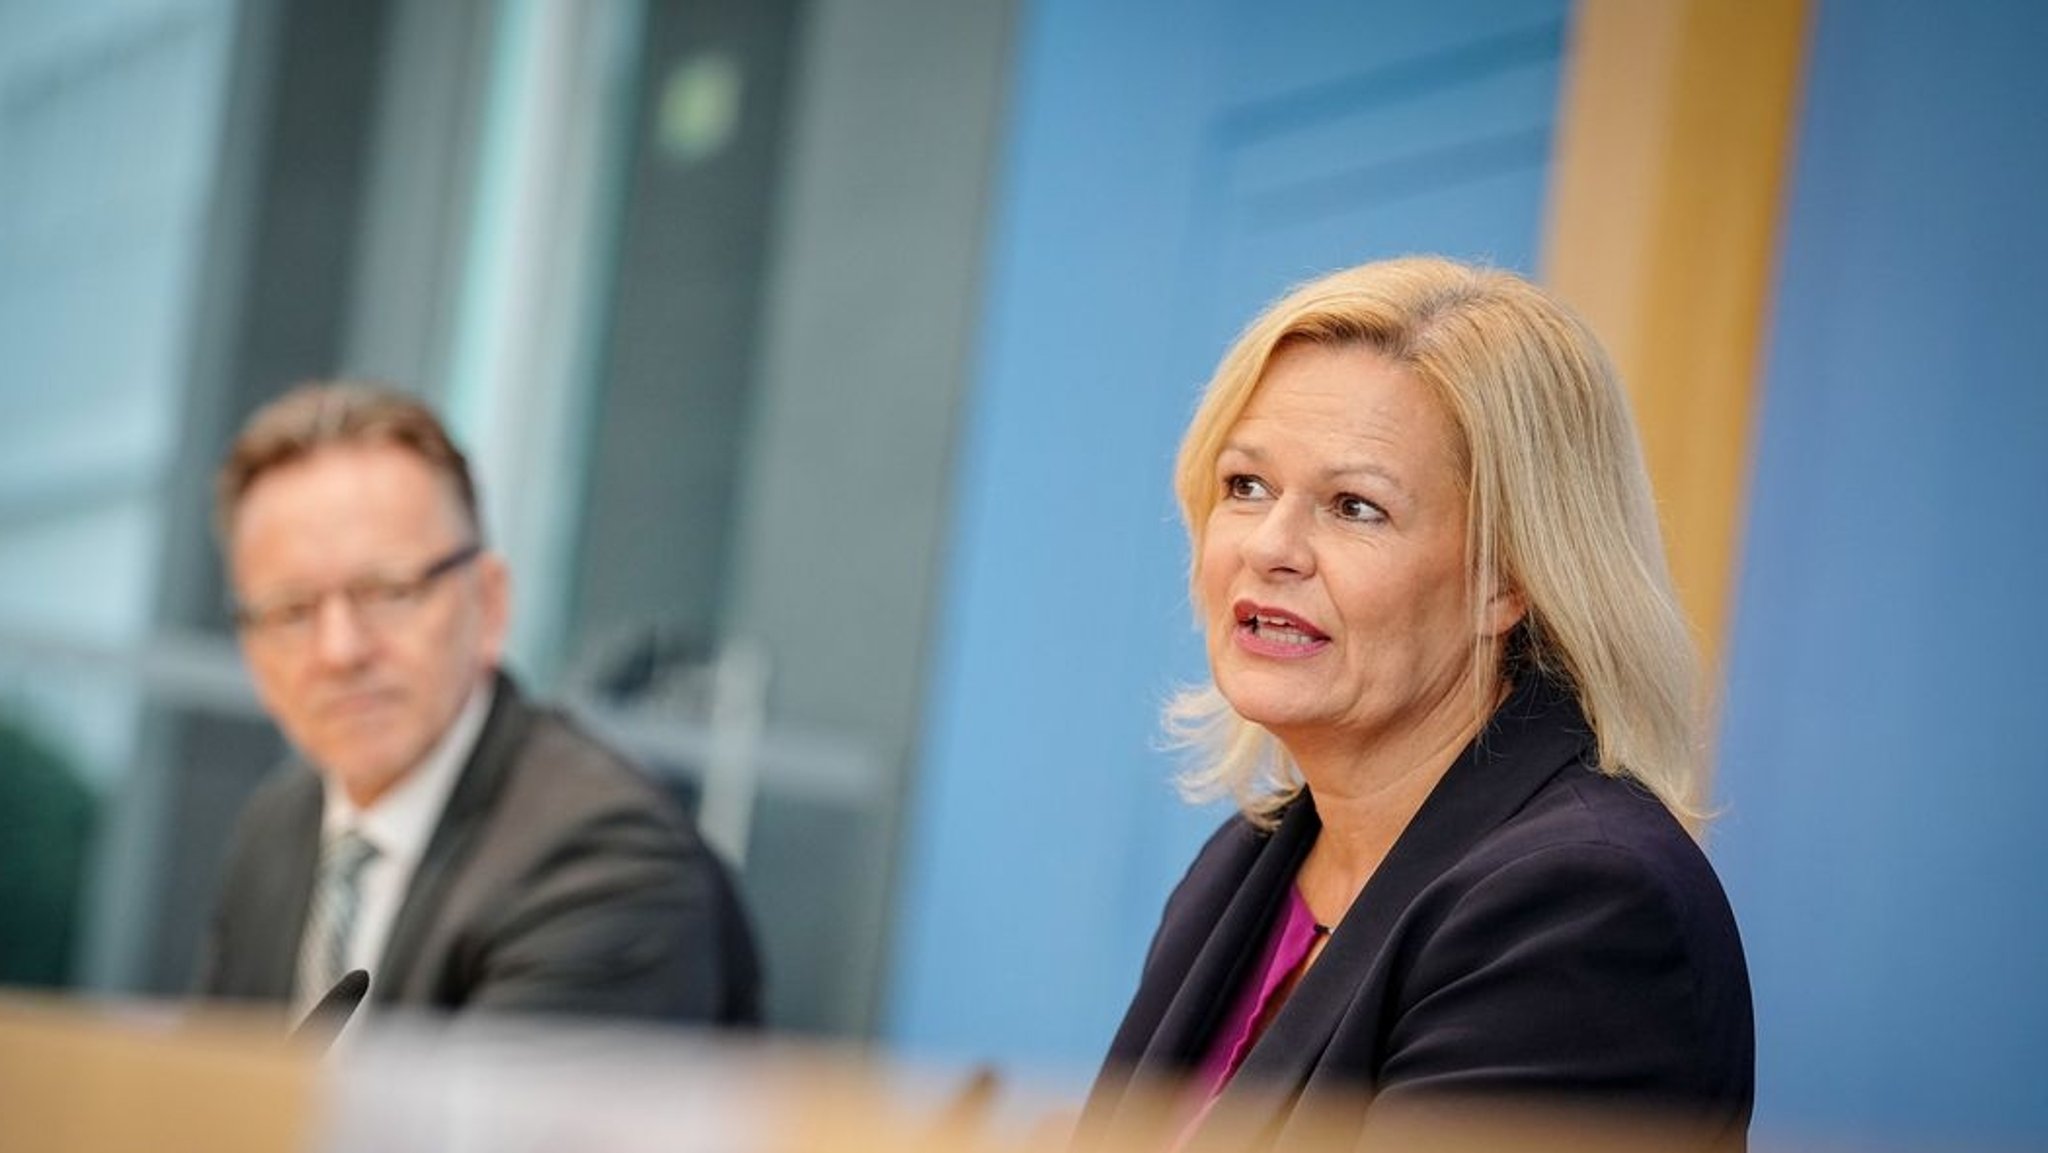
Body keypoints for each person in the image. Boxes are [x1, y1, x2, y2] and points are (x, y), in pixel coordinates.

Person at [1079, 258, 1752, 1150]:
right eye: (1247, 485)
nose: (1271, 546)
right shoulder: (1243, 866)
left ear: (1508, 576)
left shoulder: (1583, 909)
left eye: (1354, 506)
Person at [198, 382, 759, 1027]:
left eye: (387, 591)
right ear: (250, 646)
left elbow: (496, 1131)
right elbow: (218, 1103)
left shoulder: (608, 859)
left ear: (488, 605)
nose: (340, 650)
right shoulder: (277, 829)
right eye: (292, 611)